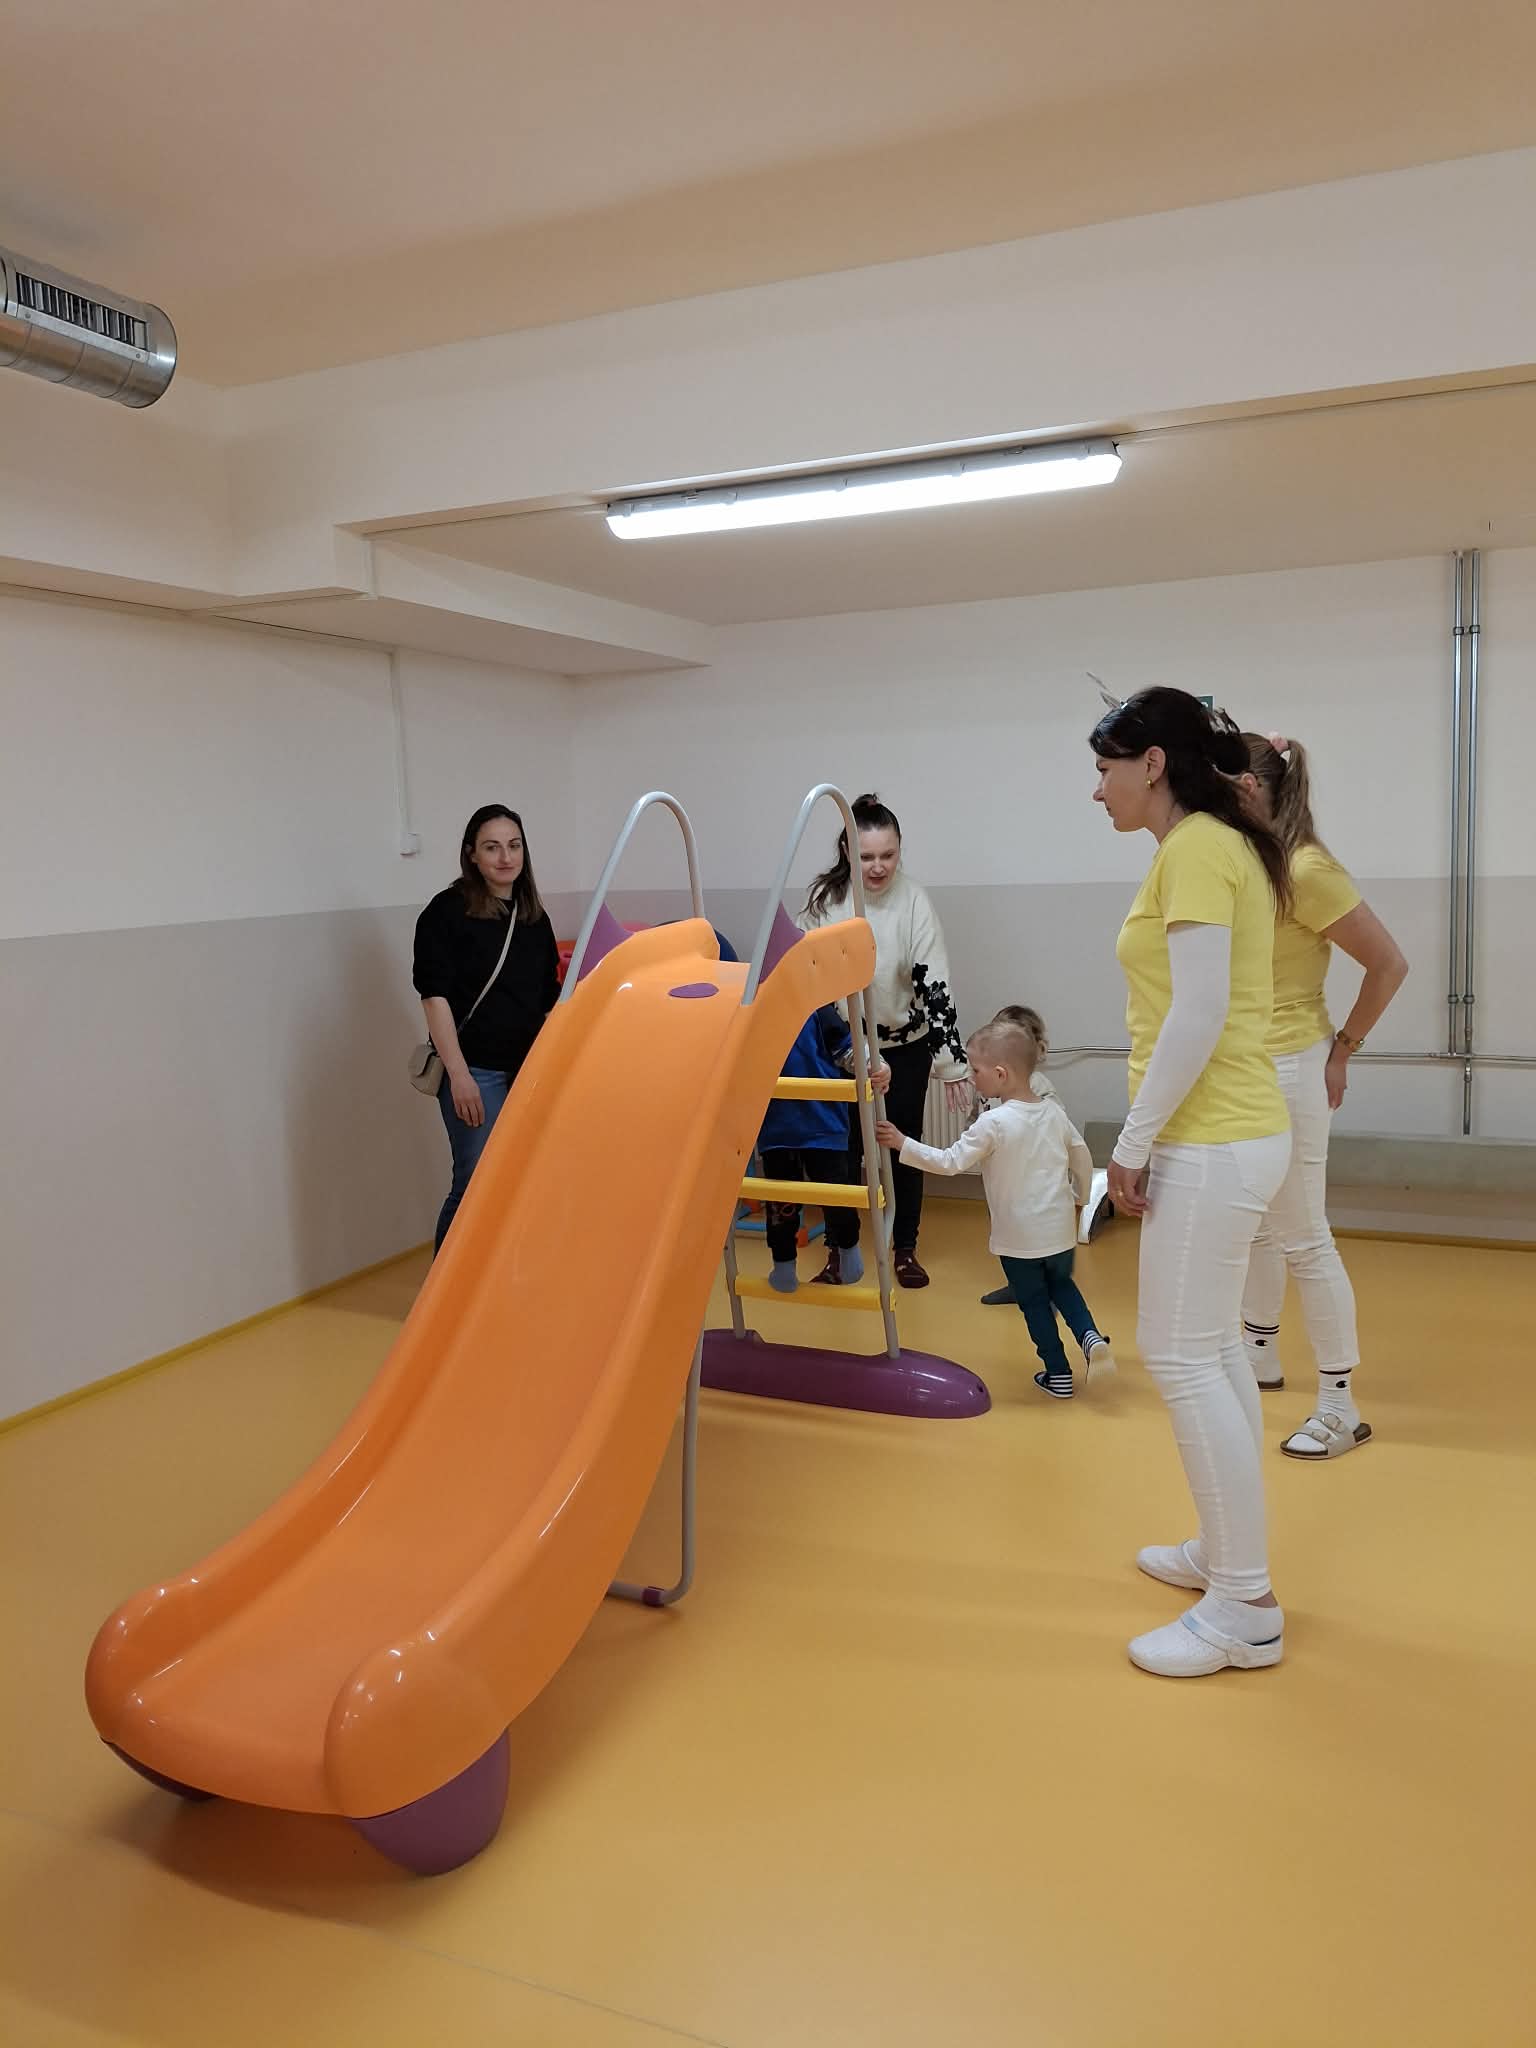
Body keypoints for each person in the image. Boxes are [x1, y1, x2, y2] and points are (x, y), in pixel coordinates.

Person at [1091, 687, 1293, 1678]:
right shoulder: (1206, 845)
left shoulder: (1199, 849)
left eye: (1105, 769)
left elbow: (1198, 1012)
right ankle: (1226, 1556)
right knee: (1209, 1349)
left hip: (1210, 1140)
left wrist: (1132, 1142)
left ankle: (1244, 1606)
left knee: (1178, 1356)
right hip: (1228, 1135)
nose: (1097, 790)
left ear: (1153, 764)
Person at [1235, 732, 1409, 1459]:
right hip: (1245, 1065)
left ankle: (1341, 1405)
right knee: (1257, 1227)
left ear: (1247, 789)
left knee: (1303, 1235)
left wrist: (1344, 1049)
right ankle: (1259, 1352)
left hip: (1291, 1066)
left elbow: (1388, 964)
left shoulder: (1307, 867)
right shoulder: (1247, 859)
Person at [877, 1018, 1115, 1398]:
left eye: (975, 1071)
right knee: (1062, 1286)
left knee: (1034, 1303)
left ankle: (1058, 1374)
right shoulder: (1053, 1112)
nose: (972, 1078)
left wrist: (903, 1143)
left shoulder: (993, 1123)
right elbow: (1082, 1156)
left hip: (1018, 1237)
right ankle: (1089, 1336)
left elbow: (950, 1162)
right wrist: (1080, 1198)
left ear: (1001, 1074)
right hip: (1057, 1230)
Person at [800, 794, 968, 1288]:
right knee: (841, 1151)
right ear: (847, 851)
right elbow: (805, 974)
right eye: (867, 856)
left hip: (905, 1046)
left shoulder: (913, 900)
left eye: (888, 855)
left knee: (902, 1146)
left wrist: (952, 1064)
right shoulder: (825, 901)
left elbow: (934, 982)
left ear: (900, 850)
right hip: (844, 1048)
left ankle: (905, 1248)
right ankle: (842, 1250)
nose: (878, 867)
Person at [412, 805, 559, 1254]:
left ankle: (501, 1282)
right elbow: (434, 997)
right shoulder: (446, 912)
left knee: (519, 1183)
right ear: (471, 854)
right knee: (474, 1183)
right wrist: (459, 1075)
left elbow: (548, 1000)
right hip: (477, 1072)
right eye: (492, 847)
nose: (505, 857)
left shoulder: (534, 918)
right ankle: (446, 1291)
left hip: (527, 1073)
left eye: (514, 846)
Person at [755, 1007, 889, 1291]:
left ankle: (848, 1249)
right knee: (781, 1205)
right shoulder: (754, 1011)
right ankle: (783, 1265)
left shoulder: (817, 1008)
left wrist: (874, 1064)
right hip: (776, 1127)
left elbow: (848, 1047)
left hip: (823, 1122)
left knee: (836, 1196)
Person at [977, 1007, 1061, 1306]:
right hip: (1003, 1179)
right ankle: (1018, 1285)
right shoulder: (994, 1082)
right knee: (1007, 1233)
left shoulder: (1038, 1088)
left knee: (1035, 1236)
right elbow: (984, 1119)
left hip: (1034, 1179)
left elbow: (1057, 1131)